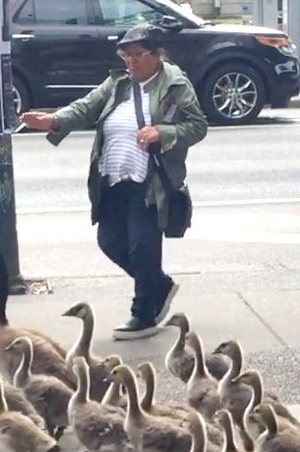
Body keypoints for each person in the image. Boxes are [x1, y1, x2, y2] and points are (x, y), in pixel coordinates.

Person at [20, 24, 208, 340]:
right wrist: (54, 120)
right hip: (112, 177)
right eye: (126, 55)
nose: (130, 62)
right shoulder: (117, 83)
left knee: (142, 246)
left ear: (158, 54)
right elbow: (86, 106)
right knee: (109, 241)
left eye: (138, 55)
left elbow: (197, 126)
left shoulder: (174, 84)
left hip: (149, 182)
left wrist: (163, 132)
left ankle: (143, 314)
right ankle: (158, 286)